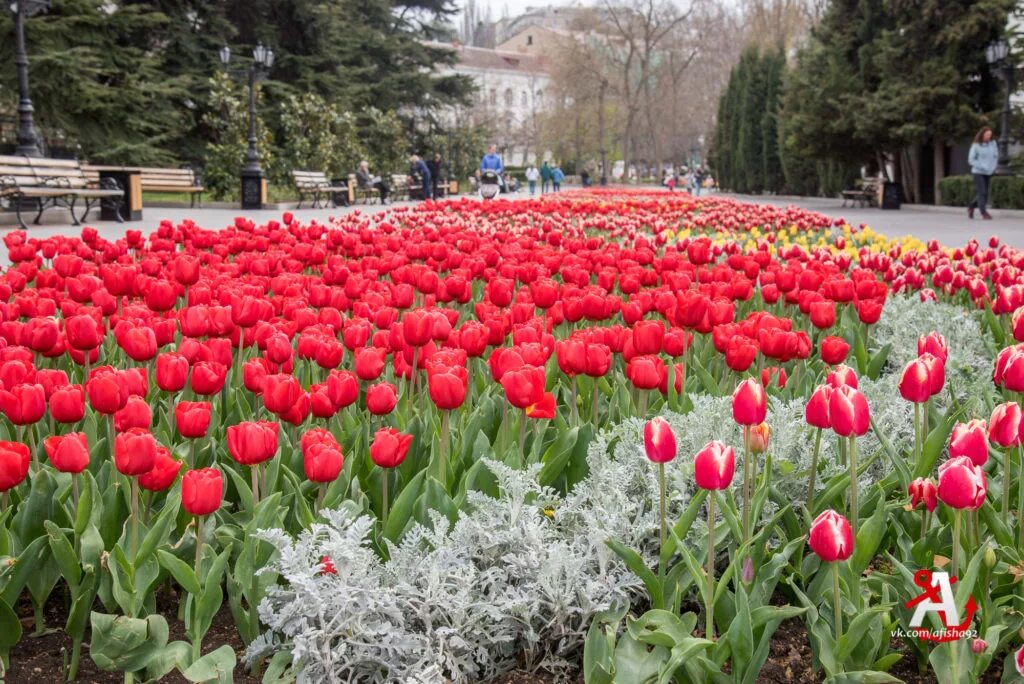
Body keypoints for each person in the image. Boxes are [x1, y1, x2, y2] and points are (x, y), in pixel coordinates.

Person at [968, 126, 998, 220]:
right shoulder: (976, 145)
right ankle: (984, 213)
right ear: (982, 134)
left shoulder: (993, 144)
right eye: (987, 134)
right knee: (982, 192)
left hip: (989, 172)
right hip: (978, 172)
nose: (988, 136)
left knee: (984, 193)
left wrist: (993, 167)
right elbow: (971, 160)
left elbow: (995, 156)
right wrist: (982, 166)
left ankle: (971, 207)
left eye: (990, 135)